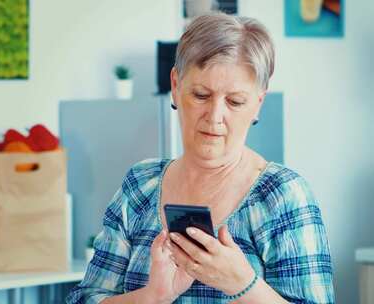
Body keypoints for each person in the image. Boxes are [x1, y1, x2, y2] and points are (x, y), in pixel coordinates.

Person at [67, 12, 334, 304]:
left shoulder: (283, 196)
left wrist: (243, 285)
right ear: (176, 86)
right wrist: (153, 296)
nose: (215, 117)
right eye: (201, 95)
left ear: (258, 103)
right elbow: (86, 298)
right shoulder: (139, 186)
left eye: (235, 101)